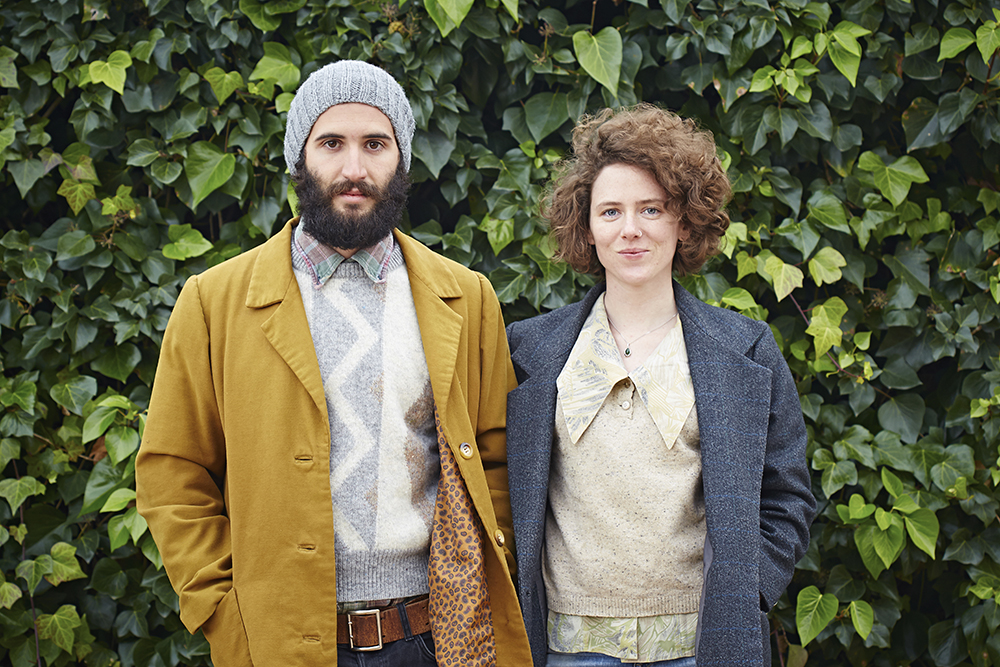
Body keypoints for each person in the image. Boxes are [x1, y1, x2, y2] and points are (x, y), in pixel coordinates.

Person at [135, 60, 531, 667]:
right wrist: (221, 611)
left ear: (401, 159)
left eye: (375, 144)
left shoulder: (466, 297)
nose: (353, 169)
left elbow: (499, 459)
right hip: (280, 641)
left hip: (435, 639)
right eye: (331, 144)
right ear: (299, 157)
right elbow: (173, 473)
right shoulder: (214, 303)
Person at [505, 104, 816, 667]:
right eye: (610, 211)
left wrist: (746, 592)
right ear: (586, 226)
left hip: (702, 650)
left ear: (684, 221)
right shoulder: (528, 352)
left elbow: (788, 495)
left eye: (651, 208)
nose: (631, 229)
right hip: (566, 650)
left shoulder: (745, 350)